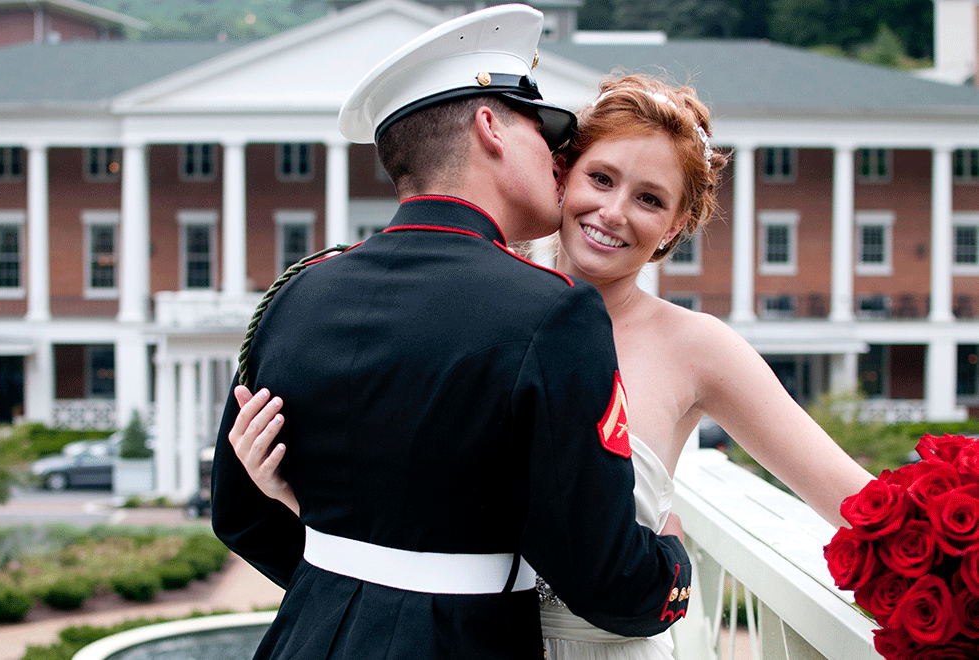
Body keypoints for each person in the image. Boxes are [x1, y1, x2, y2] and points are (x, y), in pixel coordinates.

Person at [227, 73, 876, 660]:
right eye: (601, 179)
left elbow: (851, 499)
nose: (614, 211)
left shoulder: (699, 346)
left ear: (676, 226)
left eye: (650, 199)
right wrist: (297, 501)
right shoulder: (480, 308)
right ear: (562, 175)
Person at [211, 5, 692, 660]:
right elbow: (605, 579)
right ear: (491, 125)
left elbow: (239, 514)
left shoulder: (297, 294)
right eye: (542, 129)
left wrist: (351, 583)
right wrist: (674, 565)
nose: (557, 158)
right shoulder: (552, 312)